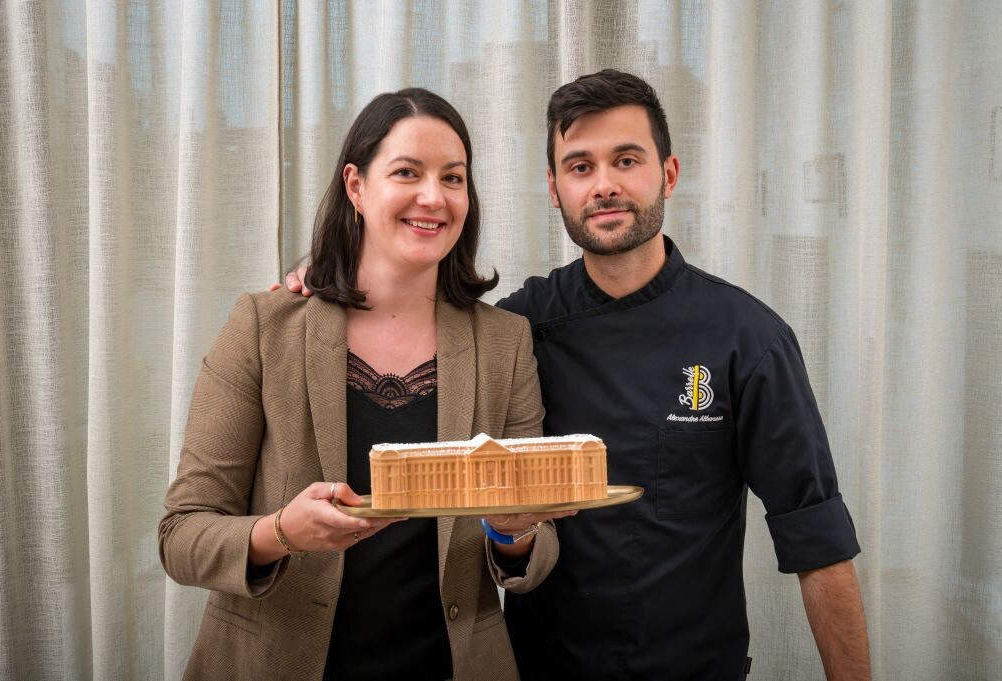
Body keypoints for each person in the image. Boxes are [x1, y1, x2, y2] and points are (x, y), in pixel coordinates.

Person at [280, 70, 870, 680]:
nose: (605, 185)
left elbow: (816, 539)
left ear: (668, 173)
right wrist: (319, 289)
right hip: (540, 668)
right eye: (580, 166)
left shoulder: (747, 338)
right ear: (554, 188)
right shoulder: (515, 331)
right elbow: (407, 318)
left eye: (626, 160)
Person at [159, 87, 570, 681]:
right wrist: (282, 532)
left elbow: (538, 547)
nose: (434, 197)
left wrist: (515, 532)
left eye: (453, 178)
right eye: (408, 172)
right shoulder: (264, 327)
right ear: (356, 185)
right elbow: (181, 536)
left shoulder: (505, 342)